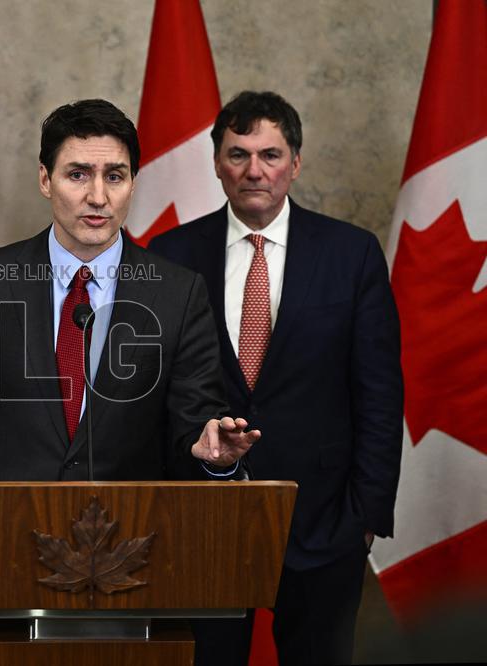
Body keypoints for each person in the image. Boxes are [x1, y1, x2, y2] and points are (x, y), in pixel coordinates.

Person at [0, 99, 260, 663]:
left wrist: (215, 453)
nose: (97, 196)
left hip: (137, 560)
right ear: (45, 179)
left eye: (115, 176)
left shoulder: (176, 291)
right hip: (2, 555)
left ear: (133, 182)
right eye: (77, 174)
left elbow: (196, 416)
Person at [148, 90, 403, 666]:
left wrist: (365, 517)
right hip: (202, 522)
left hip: (324, 518)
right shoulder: (170, 255)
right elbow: (153, 397)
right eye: (238, 155)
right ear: (216, 163)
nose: (254, 171)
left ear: (295, 161)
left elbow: (380, 395)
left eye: (270, 154)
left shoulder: (352, 254)